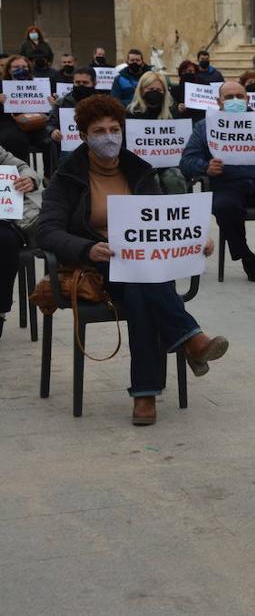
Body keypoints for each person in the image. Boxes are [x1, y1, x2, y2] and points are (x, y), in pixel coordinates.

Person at [37, 94, 229, 425]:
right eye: (99, 131)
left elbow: (161, 221)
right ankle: (186, 344)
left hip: (142, 263)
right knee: (146, 283)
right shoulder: (66, 177)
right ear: (84, 136)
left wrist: (194, 239)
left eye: (115, 129)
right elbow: (47, 231)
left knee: (142, 289)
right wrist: (87, 248)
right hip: (96, 263)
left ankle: (148, 392)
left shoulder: (139, 171)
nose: (109, 137)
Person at [180, 81, 255, 282]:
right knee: (224, 207)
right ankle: (246, 257)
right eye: (229, 98)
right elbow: (186, 161)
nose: (235, 101)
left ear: (248, 99)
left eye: (239, 96)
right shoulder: (204, 126)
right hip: (228, 184)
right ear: (218, 102)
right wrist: (205, 167)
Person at [0, 145, 40, 338]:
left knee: (5, 240)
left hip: (3, 221)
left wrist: (29, 179)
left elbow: (23, 167)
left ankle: (0, 312)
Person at [128, 71, 186, 193]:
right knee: (151, 180)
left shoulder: (172, 113)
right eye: (151, 89)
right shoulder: (130, 114)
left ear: (165, 92)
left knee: (175, 177)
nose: (155, 92)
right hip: (140, 166)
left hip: (168, 165)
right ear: (142, 90)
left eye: (159, 90)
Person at [0, 55, 54, 163]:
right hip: (9, 124)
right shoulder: (1, 86)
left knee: (49, 141)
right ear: (9, 70)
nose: (21, 70)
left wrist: (52, 104)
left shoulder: (39, 85)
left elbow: (46, 112)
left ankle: (49, 175)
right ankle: (18, 173)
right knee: (14, 140)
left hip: (34, 123)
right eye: (16, 67)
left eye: (24, 67)